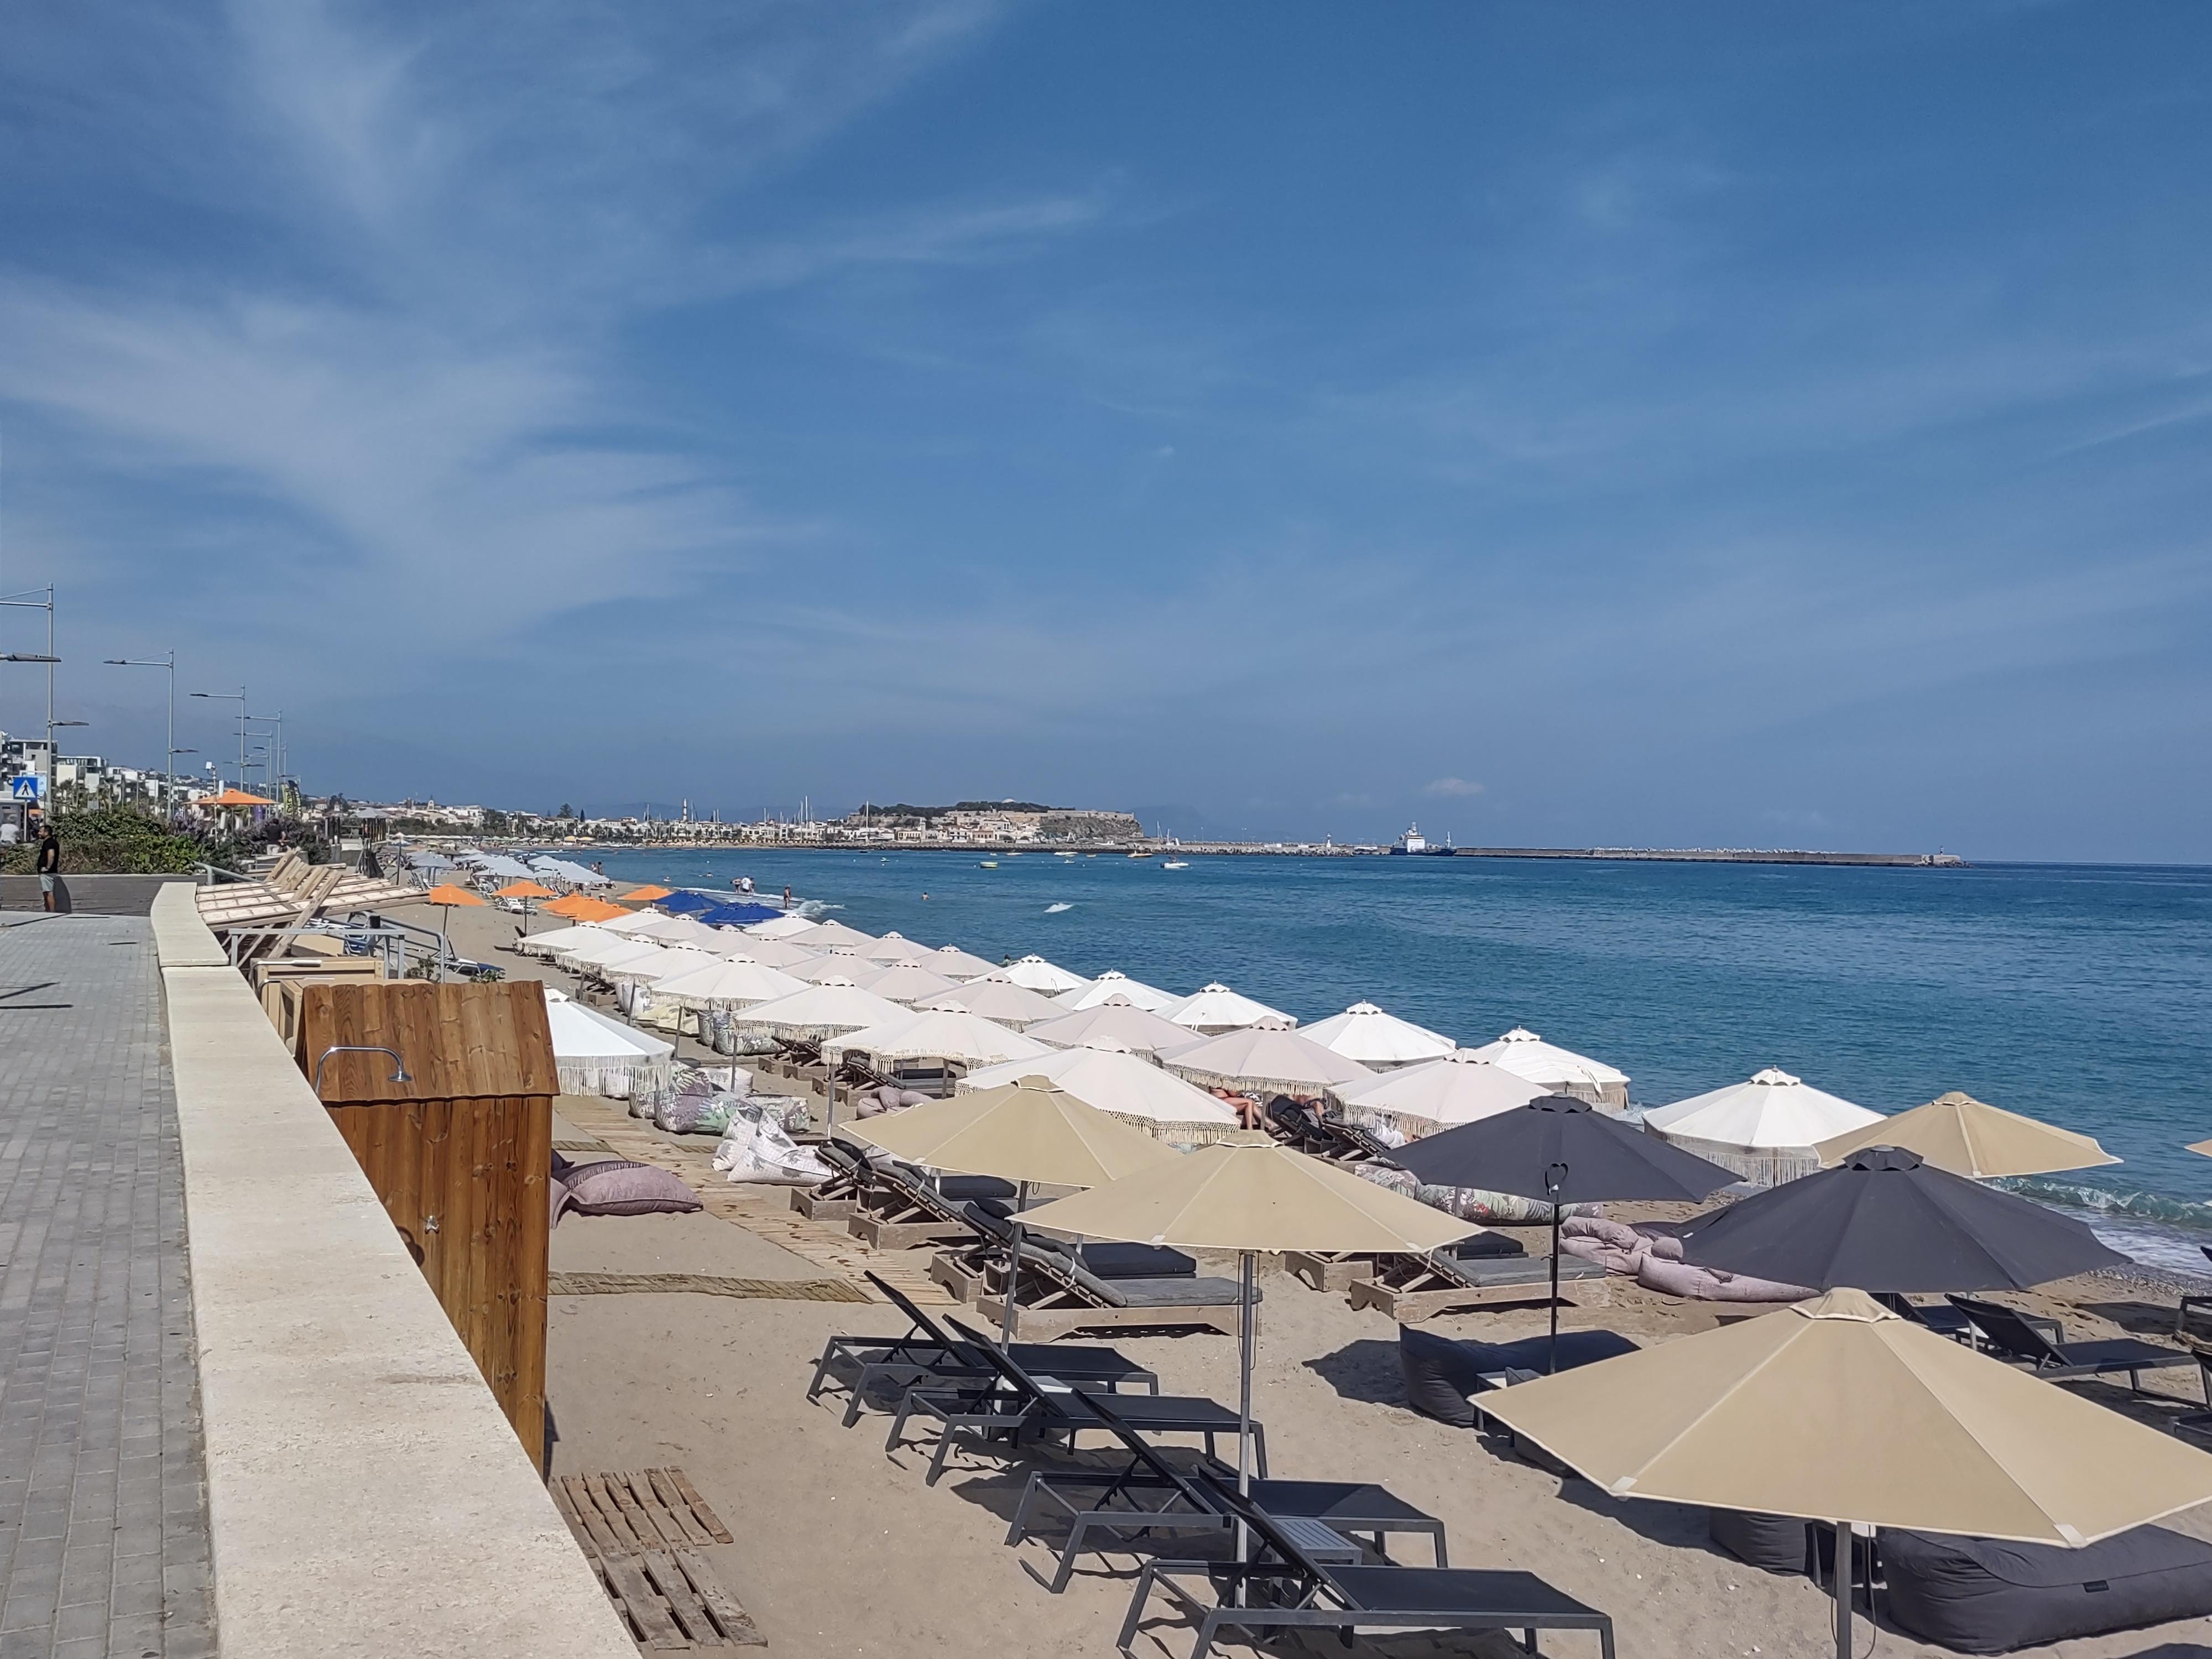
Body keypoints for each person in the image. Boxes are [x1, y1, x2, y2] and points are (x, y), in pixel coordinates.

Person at [35, 823, 60, 912]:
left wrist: (47, 867)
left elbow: (51, 855)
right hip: (48, 872)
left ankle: (52, 913)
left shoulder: (50, 843)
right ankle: (49, 911)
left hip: (47, 873)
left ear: (46, 833)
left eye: (41, 832)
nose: (39, 833)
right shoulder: (50, 842)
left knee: (48, 892)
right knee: (46, 892)